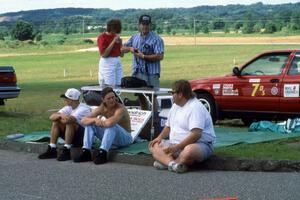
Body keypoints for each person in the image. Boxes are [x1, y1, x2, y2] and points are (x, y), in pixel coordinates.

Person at [149, 80, 216, 173]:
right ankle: (173, 165)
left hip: (201, 144)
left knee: (189, 151)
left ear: (180, 94)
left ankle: (167, 163)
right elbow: (168, 126)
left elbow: (196, 134)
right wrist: (159, 138)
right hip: (175, 144)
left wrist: (177, 147)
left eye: (172, 93)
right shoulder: (175, 106)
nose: (171, 95)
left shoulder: (195, 107)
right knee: (154, 146)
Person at [74, 86, 133, 164]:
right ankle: (86, 152)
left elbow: (109, 123)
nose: (112, 100)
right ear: (103, 100)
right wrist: (94, 120)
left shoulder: (120, 108)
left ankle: (103, 153)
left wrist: (98, 121)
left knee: (112, 125)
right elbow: (83, 120)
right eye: (109, 98)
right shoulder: (102, 107)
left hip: (125, 139)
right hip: (112, 139)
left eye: (113, 97)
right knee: (90, 124)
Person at [38, 88, 91, 161]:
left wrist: (61, 118)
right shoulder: (69, 107)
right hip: (73, 135)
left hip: (84, 138)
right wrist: (61, 116)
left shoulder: (83, 108)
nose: (64, 100)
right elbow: (52, 117)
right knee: (56, 122)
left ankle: (67, 150)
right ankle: (52, 149)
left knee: (69, 123)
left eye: (66, 98)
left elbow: (68, 120)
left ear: (72, 100)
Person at [122, 14, 164, 89]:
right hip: (137, 72)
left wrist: (144, 56)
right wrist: (129, 49)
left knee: (152, 96)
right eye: (143, 24)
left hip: (152, 74)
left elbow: (160, 56)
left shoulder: (157, 39)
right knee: (140, 96)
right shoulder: (134, 37)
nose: (145, 26)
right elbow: (122, 48)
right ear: (139, 25)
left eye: (147, 24)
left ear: (150, 25)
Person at [98, 19, 123, 87]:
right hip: (107, 62)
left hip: (117, 60)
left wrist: (121, 44)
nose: (115, 33)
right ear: (110, 28)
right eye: (114, 30)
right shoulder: (102, 37)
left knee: (119, 84)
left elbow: (121, 55)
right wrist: (113, 42)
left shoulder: (116, 36)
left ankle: (116, 97)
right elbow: (104, 54)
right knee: (110, 86)